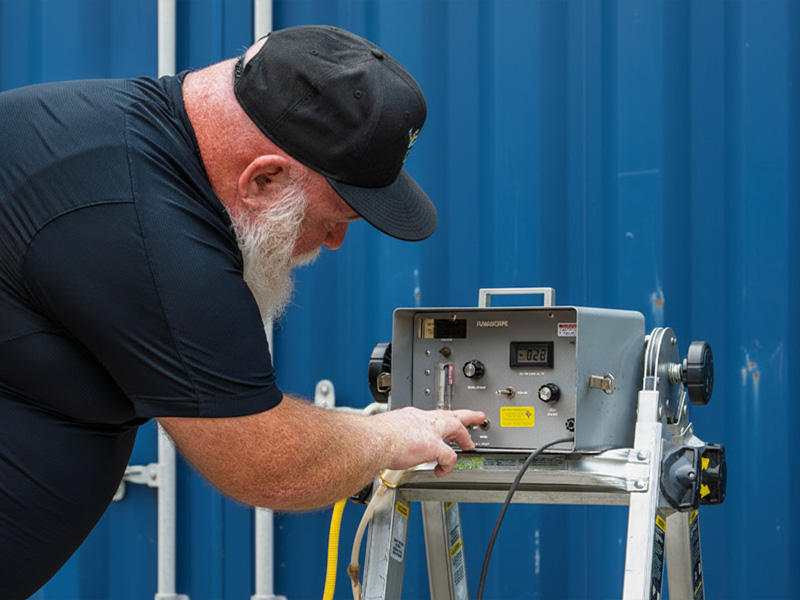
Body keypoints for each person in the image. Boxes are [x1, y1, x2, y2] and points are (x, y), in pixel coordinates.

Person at [0, 25, 486, 598]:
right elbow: (270, 465)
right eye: (334, 218)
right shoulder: (144, 226)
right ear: (264, 177)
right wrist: (388, 437)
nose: (333, 243)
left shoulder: (113, 131)